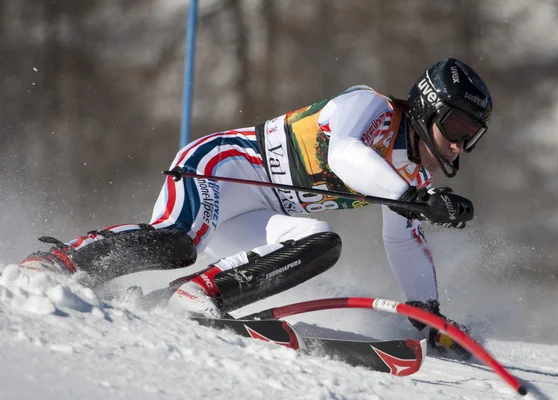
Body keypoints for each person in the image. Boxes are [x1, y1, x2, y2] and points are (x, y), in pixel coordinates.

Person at [19, 58, 492, 356]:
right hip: (221, 168)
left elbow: (401, 238)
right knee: (177, 243)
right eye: (456, 128)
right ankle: (63, 260)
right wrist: (416, 199)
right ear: (427, 109)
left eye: (470, 137)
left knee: (320, 241)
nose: (457, 147)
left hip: (257, 212)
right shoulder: (370, 107)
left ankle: (196, 294)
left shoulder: (413, 175)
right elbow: (344, 153)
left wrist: (426, 316)